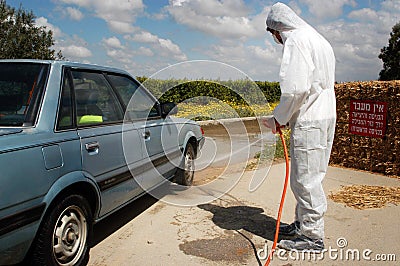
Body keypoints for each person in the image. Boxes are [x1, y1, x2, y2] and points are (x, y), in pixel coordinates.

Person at [263, 2, 336, 252]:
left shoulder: (295, 40)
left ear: (276, 30)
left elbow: (296, 89)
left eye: (274, 36)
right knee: (306, 175)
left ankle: (313, 237)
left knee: (306, 180)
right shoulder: (319, 40)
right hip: (325, 114)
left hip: (310, 118)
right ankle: (302, 224)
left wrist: (278, 118)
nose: (277, 40)